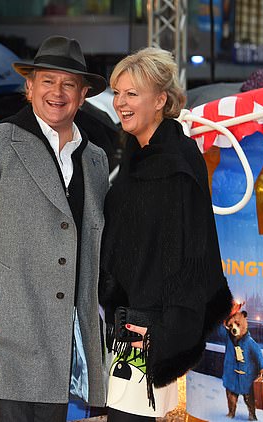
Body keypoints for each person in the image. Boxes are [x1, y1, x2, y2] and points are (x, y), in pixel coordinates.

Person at [0, 35, 110, 422]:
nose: (57, 92)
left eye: (69, 84)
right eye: (47, 81)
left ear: (83, 95)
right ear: (29, 87)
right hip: (2, 337)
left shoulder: (96, 160)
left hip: (61, 344)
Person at [99, 47, 233, 421]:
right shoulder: (145, 155)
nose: (121, 103)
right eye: (118, 93)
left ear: (160, 100)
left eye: (132, 94)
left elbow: (182, 254)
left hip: (146, 328)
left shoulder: (170, 164)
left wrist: (149, 323)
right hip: (139, 321)